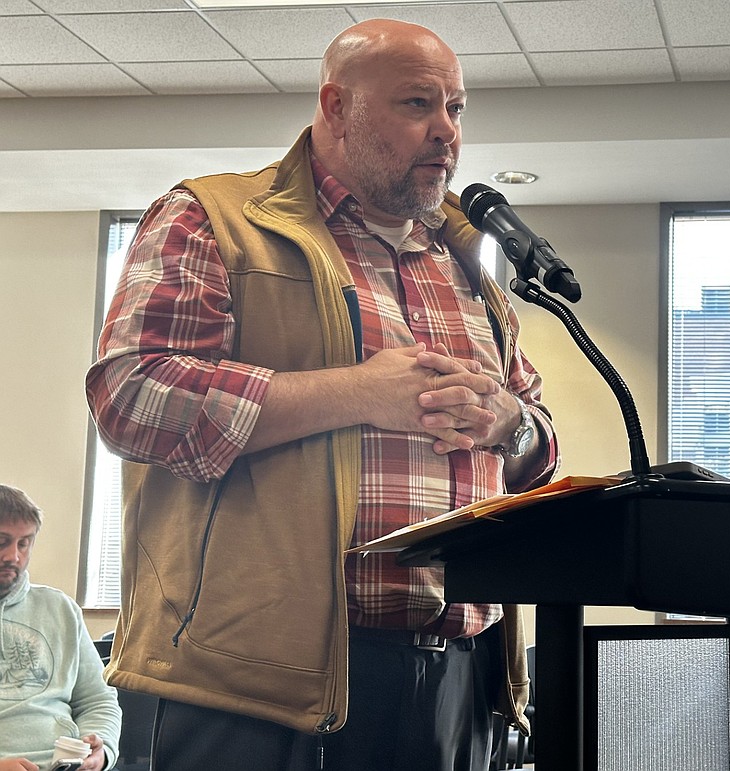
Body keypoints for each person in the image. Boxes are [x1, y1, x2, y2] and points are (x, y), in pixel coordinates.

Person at [85, 17, 558, 771]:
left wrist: (510, 424)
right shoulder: (213, 220)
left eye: (457, 108)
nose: (446, 132)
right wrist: (356, 393)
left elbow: (539, 440)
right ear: (336, 107)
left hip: (459, 679)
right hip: (257, 687)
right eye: (417, 104)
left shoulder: (465, 262)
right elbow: (132, 395)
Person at [0, 485, 121, 771]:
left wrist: (100, 753)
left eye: (23, 543)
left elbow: (98, 699)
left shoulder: (61, 609)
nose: (13, 557)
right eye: (1, 541)